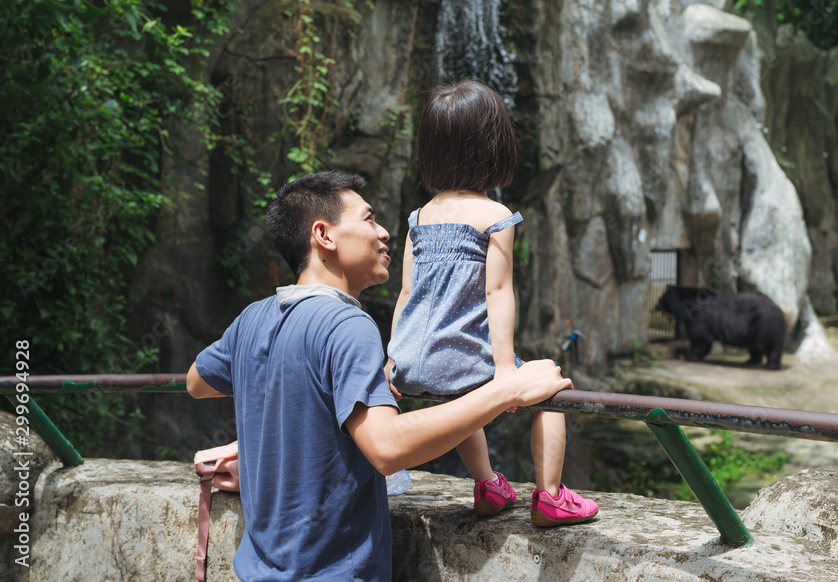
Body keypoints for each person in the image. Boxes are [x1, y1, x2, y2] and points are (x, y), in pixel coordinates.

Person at [186, 170, 571, 581]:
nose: (385, 232)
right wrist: (504, 389)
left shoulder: (253, 318)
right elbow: (387, 449)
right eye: (368, 219)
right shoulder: (347, 325)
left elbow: (197, 382)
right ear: (325, 236)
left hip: (257, 570)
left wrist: (270, 445)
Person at [384, 79, 599, 527]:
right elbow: (497, 293)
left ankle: (489, 486)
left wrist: (391, 359)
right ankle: (551, 497)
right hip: (461, 361)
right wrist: (506, 373)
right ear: (492, 146)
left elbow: (406, 294)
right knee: (551, 388)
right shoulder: (495, 216)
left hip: (410, 364)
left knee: (467, 400)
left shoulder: (417, 218)